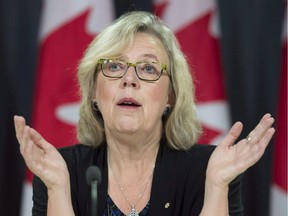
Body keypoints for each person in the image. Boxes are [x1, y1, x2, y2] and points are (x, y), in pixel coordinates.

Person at [14, 11, 275, 216]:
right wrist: (59, 189)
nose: (129, 79)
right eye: (114, 66)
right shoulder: (62, 170)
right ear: (94, 92)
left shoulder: (208, 169)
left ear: (170, 97)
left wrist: (217, 186)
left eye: (149, 69)